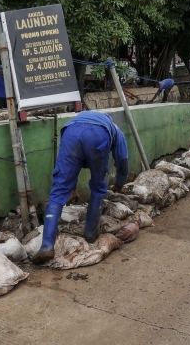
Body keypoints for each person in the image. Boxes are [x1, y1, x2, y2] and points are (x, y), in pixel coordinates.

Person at [32, 111, 130, 264]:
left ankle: (46, 246)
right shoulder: (116, 131)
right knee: (98, 187)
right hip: (98, 136)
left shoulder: (80, 121)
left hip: (70, 133)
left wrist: (71, 188)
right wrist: (119, 184)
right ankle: (91, 232)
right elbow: (123, 163)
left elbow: (72, 166)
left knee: (58, 192)